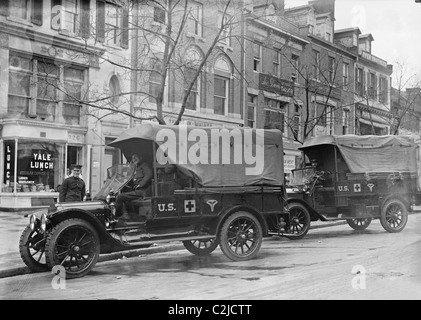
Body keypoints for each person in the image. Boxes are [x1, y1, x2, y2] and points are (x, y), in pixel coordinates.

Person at [115, 153, 153, 218]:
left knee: (120, 197)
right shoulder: (135, 168)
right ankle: (127, 215)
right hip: (137, 191)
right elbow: (130, 179)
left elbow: (148, 175)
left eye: (135, 157)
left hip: (143, 191)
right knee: (122, 195)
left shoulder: (144, 165)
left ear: (140, 157)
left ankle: (118, 216)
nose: (134, 159)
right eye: (132, 158)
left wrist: (140, 184)